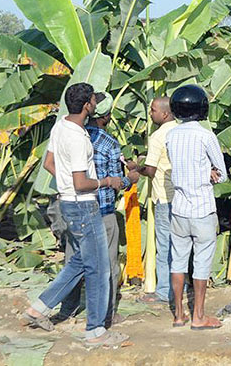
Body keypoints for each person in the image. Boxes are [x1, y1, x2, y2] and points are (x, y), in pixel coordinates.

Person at [23, 83, 128, 347]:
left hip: (67, 203)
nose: (95, 104)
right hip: (83, 204)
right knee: (99, 268)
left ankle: (39, 307)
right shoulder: (79, 138)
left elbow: (49, 163)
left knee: (79, 262)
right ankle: (95, 331)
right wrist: (108, 182)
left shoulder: (61, 126)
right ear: (87, 106)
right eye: (93, 100)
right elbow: (82, 182)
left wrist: (65, 183)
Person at [54, 92, 138, 326]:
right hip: (102, 209)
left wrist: (68, 186)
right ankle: (106, 314)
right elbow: (117, 181)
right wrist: (131, 178)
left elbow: (52, 165)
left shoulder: (67, 132)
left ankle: (67, 309)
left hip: (76, 207)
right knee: (107, 265)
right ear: (105, 115)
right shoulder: (109, 143)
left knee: (73, 260)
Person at [166, 85, 228, 330]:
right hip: (202, 208)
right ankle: (199, 316)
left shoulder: (172, 135)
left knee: (178, 261)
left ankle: (179, 315)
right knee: (201, 262)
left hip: (179, 208)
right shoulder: (205, 136)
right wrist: (210, 172)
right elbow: (221, 174)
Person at [136, 97, 179, 305]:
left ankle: (164, 291)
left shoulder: (157, 136)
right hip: (182, 196)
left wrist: (136, 168)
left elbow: (151, 170)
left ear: (164, 114)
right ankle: (181, 286)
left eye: (153, 110)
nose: (150, 114)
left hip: (164, 195)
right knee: (179, 244)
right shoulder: (181, 131)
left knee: (165, 246)